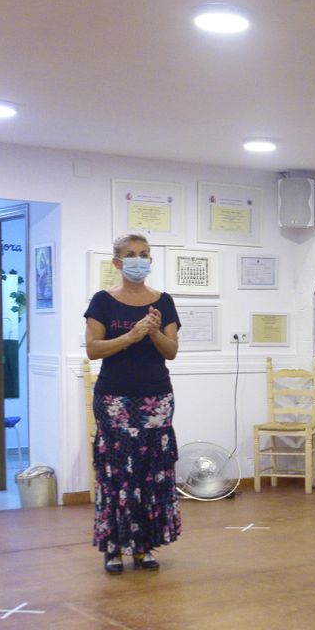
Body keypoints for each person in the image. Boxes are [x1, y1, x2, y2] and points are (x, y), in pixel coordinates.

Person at [84, 234, 182, 573]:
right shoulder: (102, 302)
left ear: (151, 261)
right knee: (118, 474)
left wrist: (153, 332)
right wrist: (131, 335)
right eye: (130, 254)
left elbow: (171, 351)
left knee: (149, 473)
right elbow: (93, 349)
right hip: (114, 398)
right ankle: (114, 547)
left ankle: (144, 547)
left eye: (144, 254)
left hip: (156, 398)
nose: (138, 260)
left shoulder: (163, 302)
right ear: (117, 262)